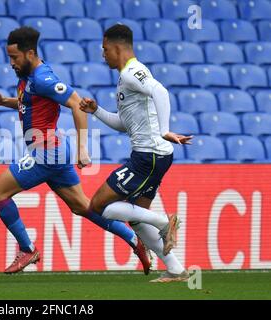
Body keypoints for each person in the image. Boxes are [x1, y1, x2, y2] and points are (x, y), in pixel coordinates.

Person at [0, 26, 151, 274]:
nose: (11, 63)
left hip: (46, 153)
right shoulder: (29, 76)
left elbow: (77, 104)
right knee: (84, 207)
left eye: (14, 57)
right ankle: (134, 239)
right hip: (53, 151)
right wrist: (4, 102)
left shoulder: (43, 78)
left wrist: (82, 148)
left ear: (29, 53)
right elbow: (29, 105)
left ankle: (27, 249)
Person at [79, 24, 193, 283]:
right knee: (137, 219)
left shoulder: (133, 72)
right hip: (154, 156)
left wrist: (164, 130)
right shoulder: (125, 77)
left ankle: (165, 222)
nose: (103, 54)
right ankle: (176, 269)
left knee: (98, 206)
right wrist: (96, 110)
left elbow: (160, 91)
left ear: (117, 47)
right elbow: (124, 124)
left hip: (148, 156)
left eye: (105, 49)